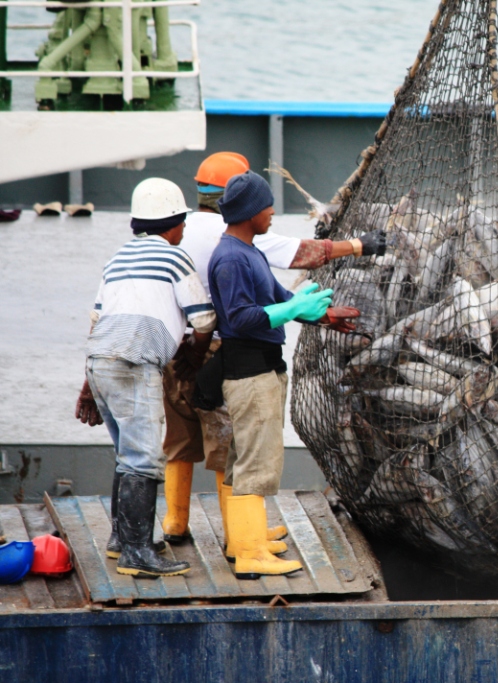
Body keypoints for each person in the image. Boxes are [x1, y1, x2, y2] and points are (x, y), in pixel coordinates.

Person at [159, 152, 385, 557]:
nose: (273, 214)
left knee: (191, 442)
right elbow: (248, 311)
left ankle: (190, 524)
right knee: (240, 453)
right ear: (246, 208)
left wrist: (320, 314)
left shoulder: (195, 234)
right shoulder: (233, 251)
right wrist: (356, 247)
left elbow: (276, 295)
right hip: (235, 359)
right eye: (268, 207)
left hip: (179, 346)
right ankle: (244, 547)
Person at [79, 178, 216, 577]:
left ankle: (121, 540)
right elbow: (204, 319)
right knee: (143, 460)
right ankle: (137, 553)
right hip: (135, 364)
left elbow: (96, 321)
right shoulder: (175, 258)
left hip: (100, 363)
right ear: (172, 224)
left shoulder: (117, 259)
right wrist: (193, 355)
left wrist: (88, 389)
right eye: (183, 222)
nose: (185, 229)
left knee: (127, 455)